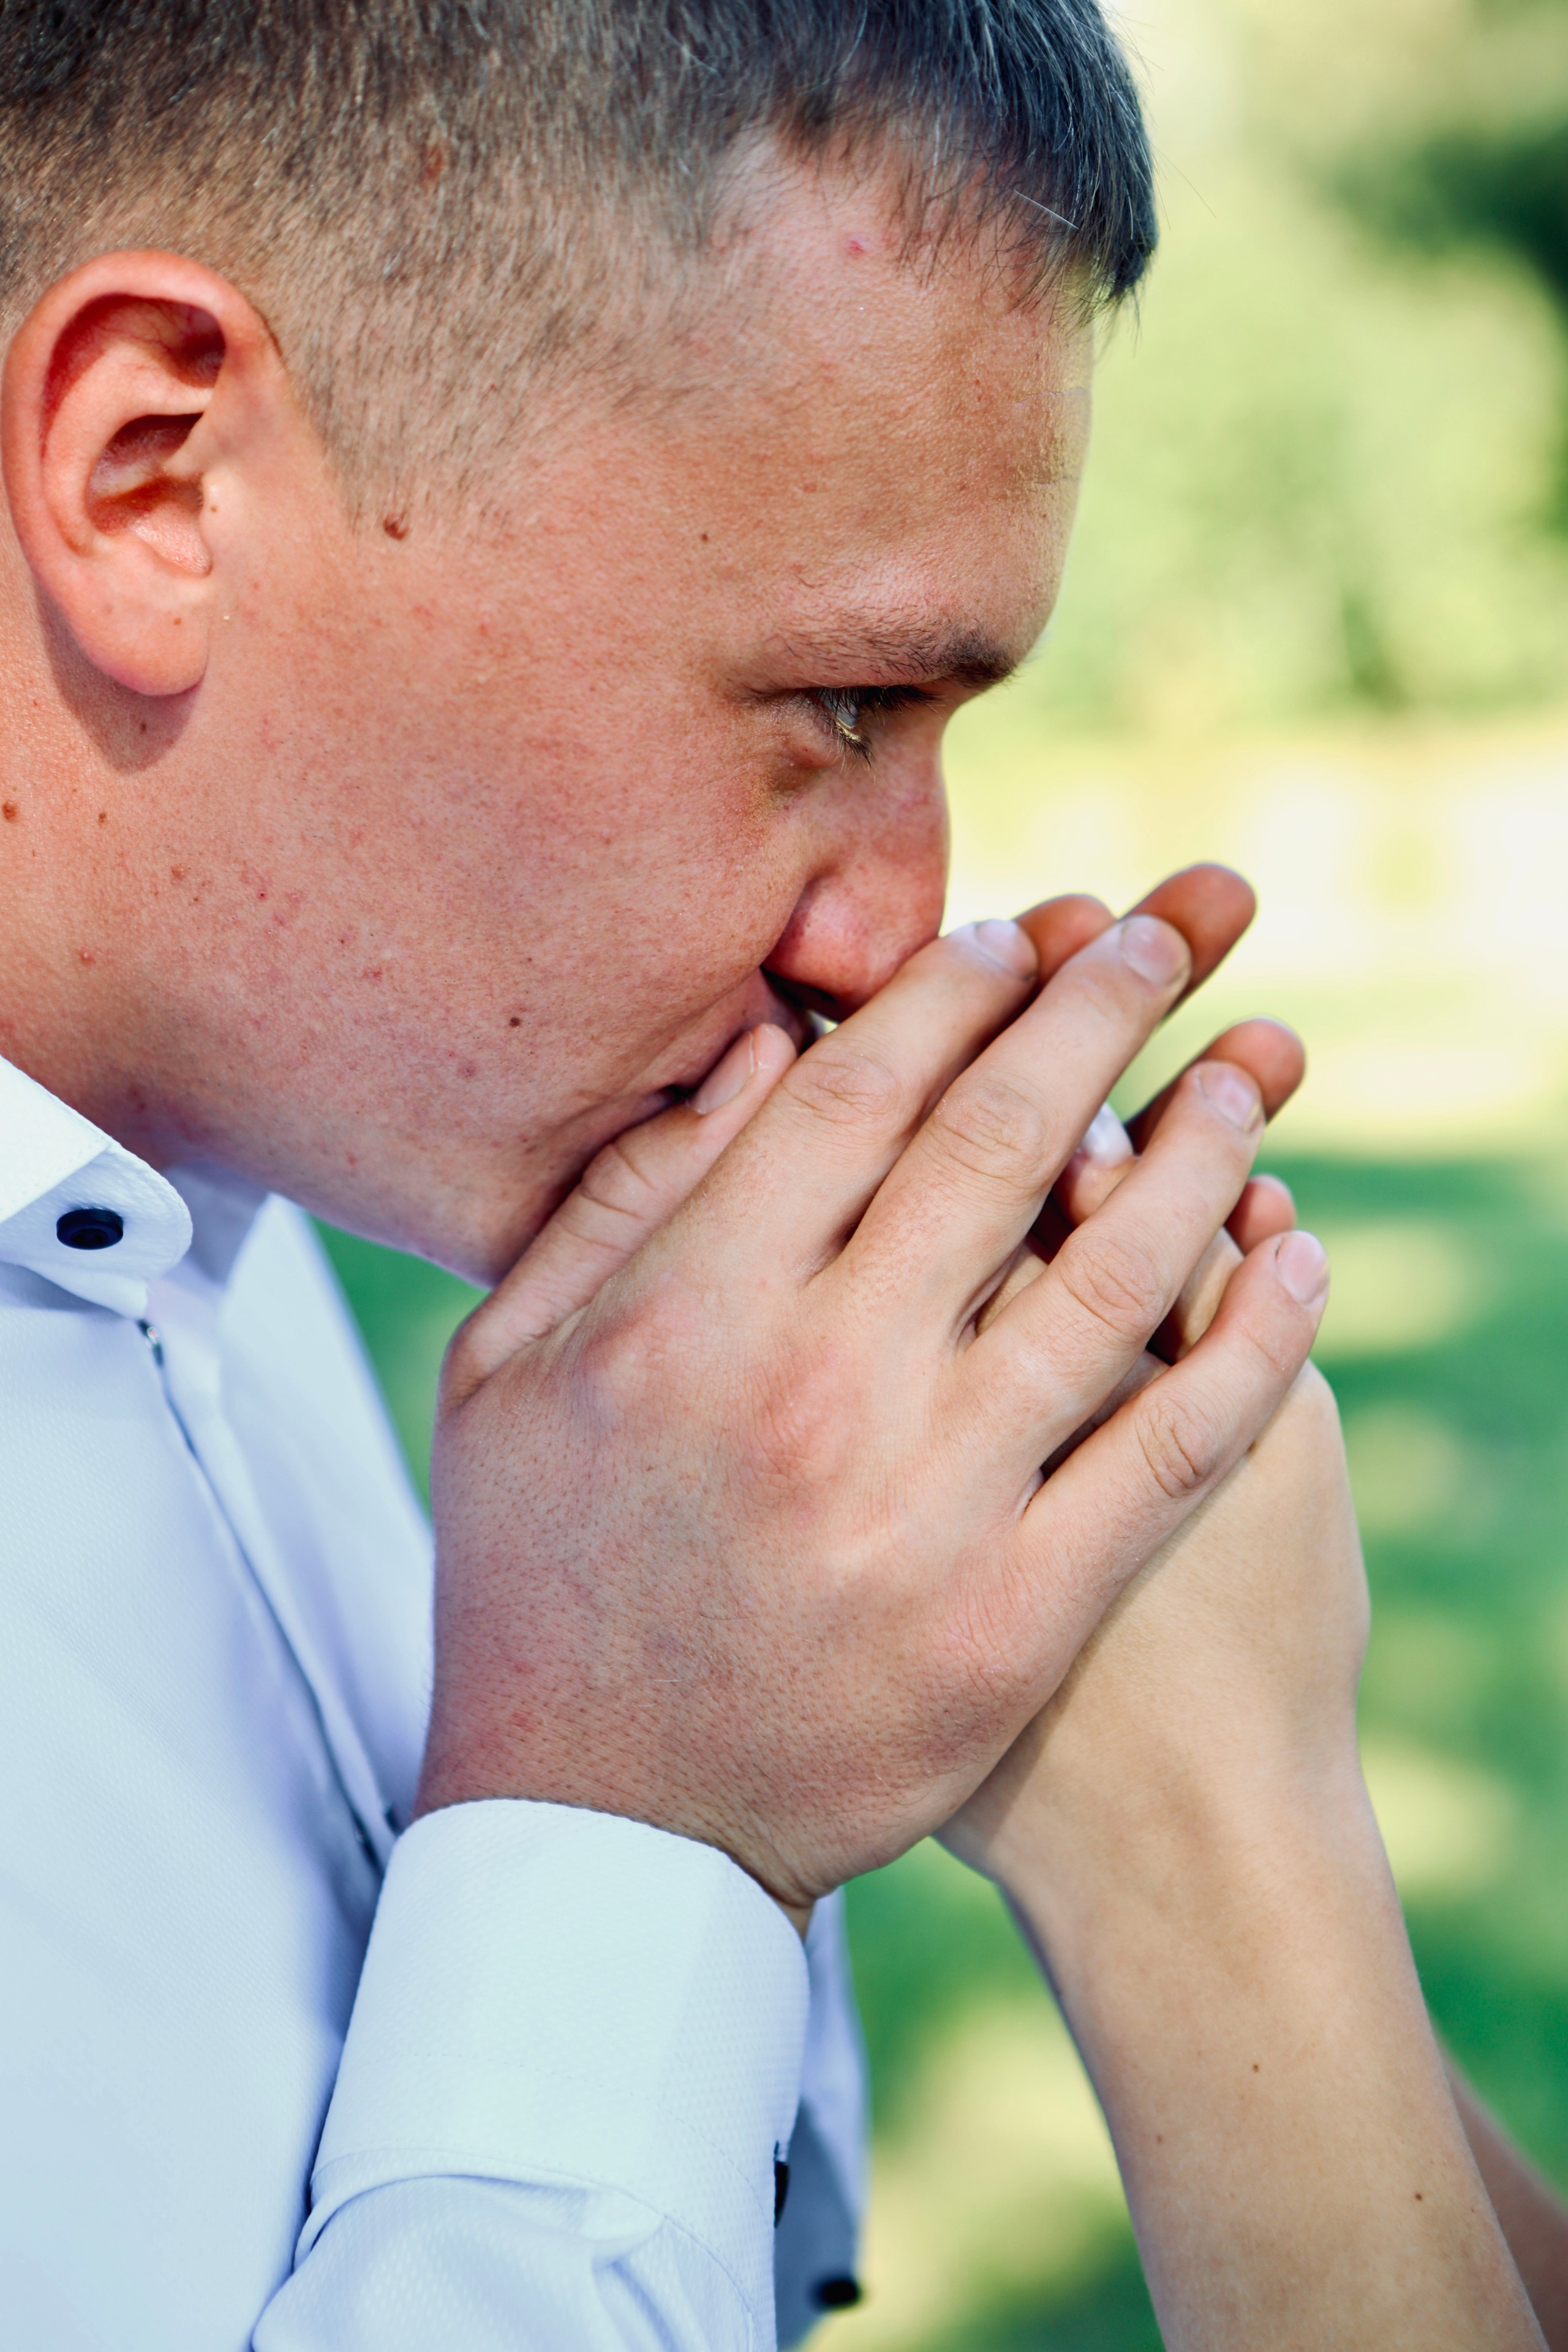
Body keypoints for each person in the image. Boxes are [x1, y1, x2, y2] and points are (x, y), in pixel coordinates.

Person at [0, 6, 1551, 2350]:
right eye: (842, 707)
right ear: (156, 479)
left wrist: (1204, 1811)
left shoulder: (252, 1170)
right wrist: (638, 1820)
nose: (888, 935)